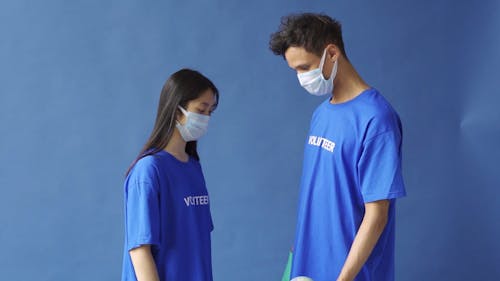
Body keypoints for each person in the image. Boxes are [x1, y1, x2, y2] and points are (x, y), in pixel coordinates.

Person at [269, 13, 407, 281]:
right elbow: (318, 191)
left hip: (350, 274)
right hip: (305, 267)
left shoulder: (377, 119)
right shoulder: (321, 114)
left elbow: (376, 216)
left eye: (304, 67)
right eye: (294, 70)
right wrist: (295, 256)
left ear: (331, 53)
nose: (300, 77)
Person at [121, 69, 219, 281]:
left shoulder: (193, 167)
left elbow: (196, 242)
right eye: (201, 110)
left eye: (210, 112)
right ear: (176, 110)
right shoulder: (148, 170)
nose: (206, 118)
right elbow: (140, 250)